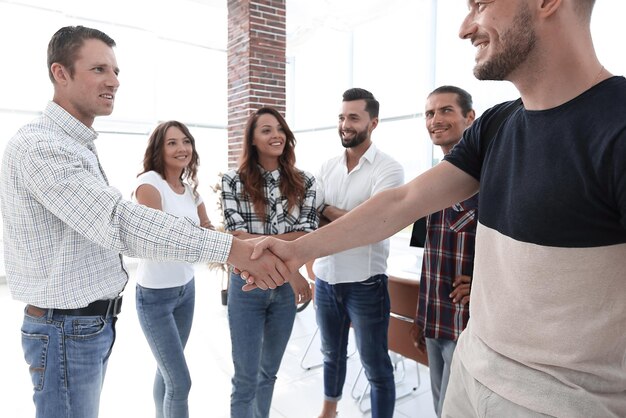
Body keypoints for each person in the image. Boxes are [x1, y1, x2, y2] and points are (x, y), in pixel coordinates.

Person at [251, 1, 626, 417]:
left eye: (481, 4)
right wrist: (299, 250)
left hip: (562, 403)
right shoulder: (496, 125)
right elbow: (404, 202)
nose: (466, 28)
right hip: (470, 375)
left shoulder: (617, 125)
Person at [0, 25, 289, 418]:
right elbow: (119, 224)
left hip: (89, 323)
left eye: (116, 71)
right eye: (100, 69)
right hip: (66, 328)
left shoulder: (75, 145)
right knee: (175, 381)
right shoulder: (42, 146)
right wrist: (235, 250)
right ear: (60, 73)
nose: (114, 81)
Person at [311, 88, 404, 418]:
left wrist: (330, 211)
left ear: (373, 122)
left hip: (366, 284)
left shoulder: (389, 169)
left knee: (375, 364)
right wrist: (353, 217)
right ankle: (328, 412)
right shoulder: (326, 167)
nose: (344, 124)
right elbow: (312, 216)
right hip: (324, 279)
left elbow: (376, 224)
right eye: (341, 117)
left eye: (353, 117)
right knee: (330, 355)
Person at [221, 107, 318, 418]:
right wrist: (292, 272)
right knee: (246, 378)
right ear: (251, 139)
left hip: (285, 295)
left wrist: (288, 266)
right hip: (247, 287)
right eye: (266, 130)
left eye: (279, 129)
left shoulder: (306, 182)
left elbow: (305, 234)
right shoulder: (232, 181)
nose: (275, 135)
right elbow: (237, 236)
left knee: (268, 375)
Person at [133, 121, 213, 418]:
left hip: (186, 291)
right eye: (172, 143)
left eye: (186, 141)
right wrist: (202, 240)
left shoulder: (190, 190)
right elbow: (157, 239)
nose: (182, 148)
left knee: (166, 372)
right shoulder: (149, 184)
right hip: (155, 298)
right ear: (159, 149)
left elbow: (208, 232)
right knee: (180, 381)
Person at [409, 85, 477, 418]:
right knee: (439, 407)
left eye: (446, 110)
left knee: (456, 410)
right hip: (435, 317)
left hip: (469, 323)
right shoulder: (430, 181)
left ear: (470, 117)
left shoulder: (489, 178)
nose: (435, 119)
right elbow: (430, 255)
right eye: (429, 113)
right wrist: (421, 318)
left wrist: (481, 282)